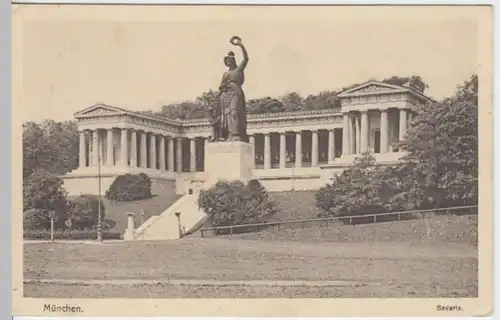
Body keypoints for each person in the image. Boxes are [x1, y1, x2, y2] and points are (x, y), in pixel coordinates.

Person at [218, 37, 249, 142]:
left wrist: (240, 45)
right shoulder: (225, 74)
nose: (228, 62)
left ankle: (236, 134)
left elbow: (246, 59)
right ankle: (229, 134)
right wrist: (223, 88)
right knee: (227, 115)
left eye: (230, 60)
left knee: (235, 112)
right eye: (227, 61)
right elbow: (221, 86)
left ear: (233, 61)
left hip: (236, 92)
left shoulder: (238, 69)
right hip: (226, 95)